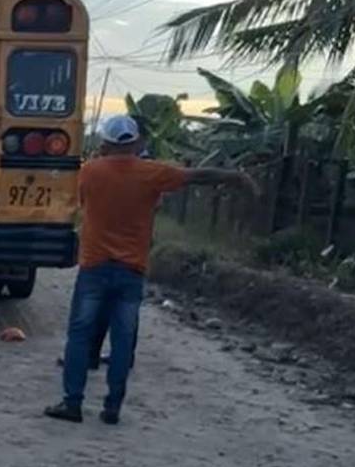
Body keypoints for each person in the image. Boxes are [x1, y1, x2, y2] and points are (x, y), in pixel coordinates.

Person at [44, 114, 258, 425]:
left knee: (79, 335)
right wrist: (235, 177)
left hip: (94, 267)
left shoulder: (90, 172)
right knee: (123, 339)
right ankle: (112, 407)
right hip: (132, 269)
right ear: (134, 142)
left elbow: (75, 201)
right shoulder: (152, 173)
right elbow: (196, 175)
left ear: (106, 143)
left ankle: (72, 403)